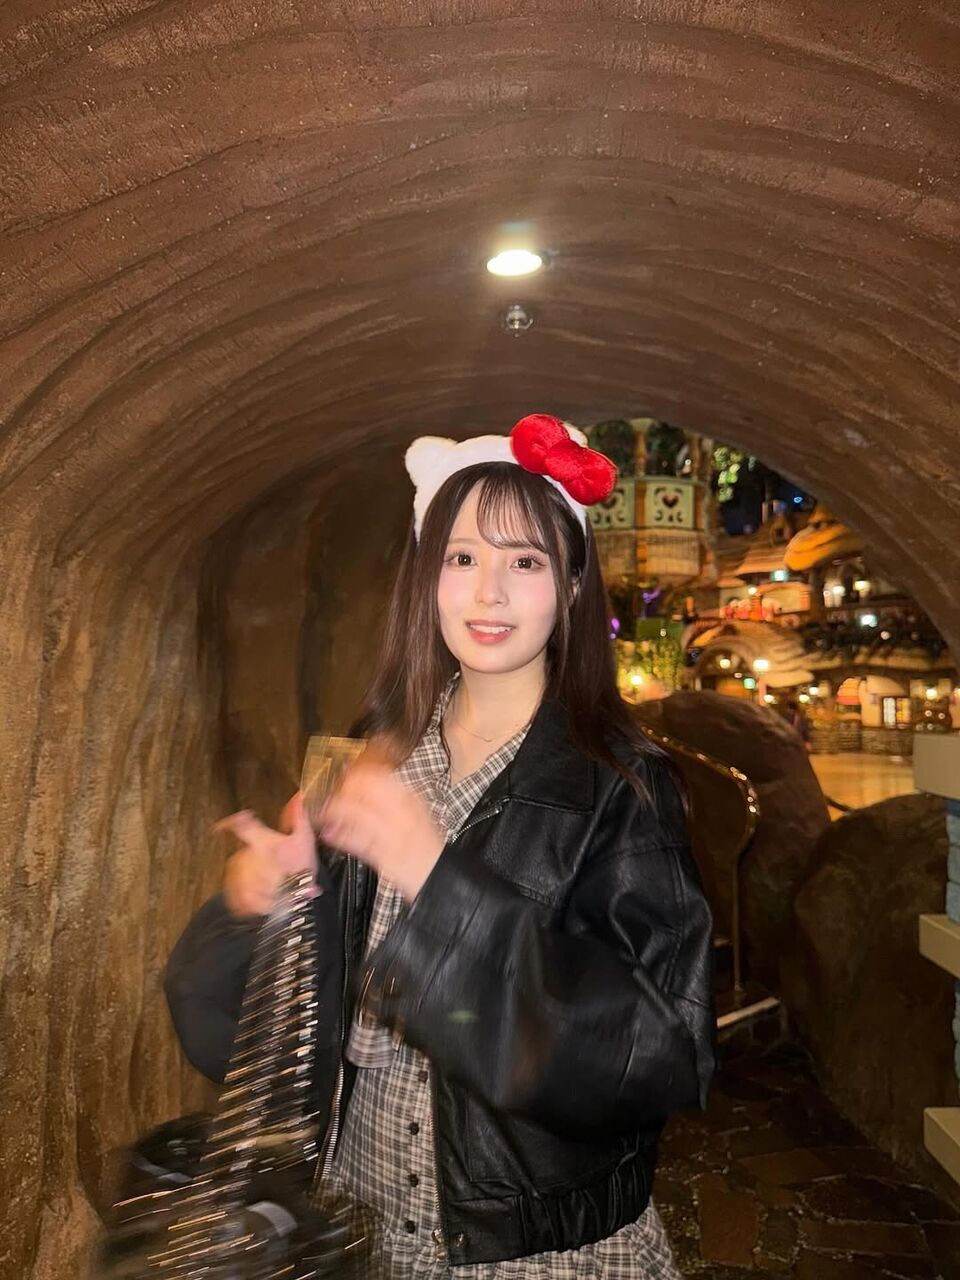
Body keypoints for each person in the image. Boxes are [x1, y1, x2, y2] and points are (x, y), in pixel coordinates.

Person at [165, 413, 715, 1278]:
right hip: (360, 1227)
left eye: (524, 562)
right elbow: (249, 1039)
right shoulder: (366, 757)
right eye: (461, 558)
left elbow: (653, 1061)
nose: (488, 593)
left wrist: (435, 879)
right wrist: (261, 909)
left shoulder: (624, 787)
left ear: (573, 586)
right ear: (425, 577)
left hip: (534, 1252)